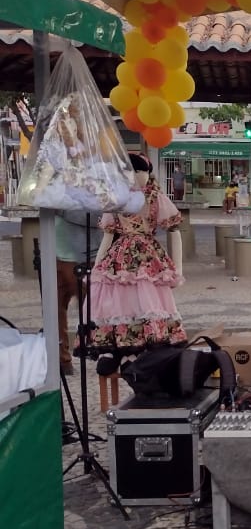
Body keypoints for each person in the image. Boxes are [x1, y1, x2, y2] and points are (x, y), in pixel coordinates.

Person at [88, 153, 186, 371]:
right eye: (129, 171)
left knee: (147, 301)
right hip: (119, 256)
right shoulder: (117, 199)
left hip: (148, 257)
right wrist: (97, 265)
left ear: (148, 173)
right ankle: (116, 348)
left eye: (139, 171)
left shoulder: (155, 198)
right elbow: (108, 235)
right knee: (118, 300)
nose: (133, 175)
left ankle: (139, 350)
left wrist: (177, 269)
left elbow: (173, 230)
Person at [54, 210, 103, 374]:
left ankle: (105, 354)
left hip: (85, 258)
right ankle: (62, 361)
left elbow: (99, 217)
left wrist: (61, 209)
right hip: (53, 254)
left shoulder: (96, 190)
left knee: (94, 311)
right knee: (54, 312)